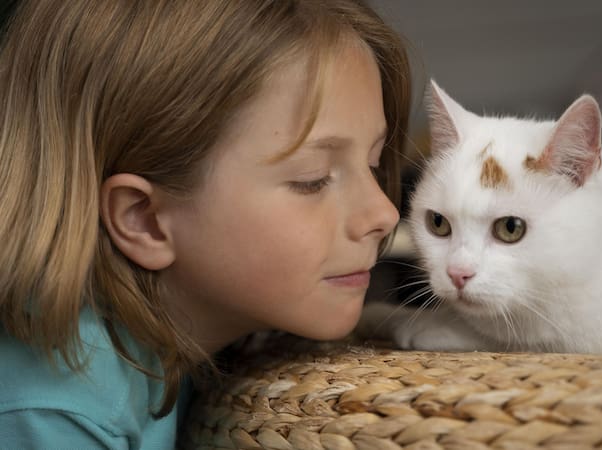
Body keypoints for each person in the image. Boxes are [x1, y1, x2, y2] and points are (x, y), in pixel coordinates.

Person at [0, 0, 410, 448]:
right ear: (144, 220)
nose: (385, 213)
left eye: (373, 163)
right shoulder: (57, 412)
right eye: (311, 180)